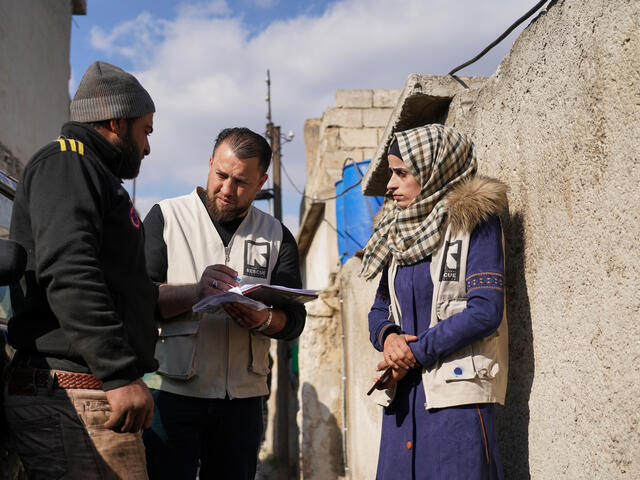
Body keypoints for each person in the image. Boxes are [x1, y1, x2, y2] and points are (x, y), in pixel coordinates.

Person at [5, 61, 158, 479]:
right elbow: (69, 269)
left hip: (89, 391)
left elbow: (116, 288)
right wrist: (119, 374)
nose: (147, 147)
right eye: (145, 131)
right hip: (78, 392)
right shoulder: (68, 163)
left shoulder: (93, 174)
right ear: (116, 122)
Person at [141, 127, 306, 480]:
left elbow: (294, 320)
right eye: (221, 175)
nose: (228, 190)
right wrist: (195, 292)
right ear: (210, 163)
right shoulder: (166, 217)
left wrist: (263, 319)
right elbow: (140, 301)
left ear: (261, 182)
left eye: (242, 182)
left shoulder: (277, 235)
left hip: (243, 403)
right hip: (171, 394)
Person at [364, 124, 508, 479]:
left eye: (401, 173)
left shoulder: (474, 222)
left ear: (433, 170)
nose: (390, 184)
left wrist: (416, 352)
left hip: (455, 401)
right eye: (391, 173)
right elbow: (379, 309)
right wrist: (390, 339)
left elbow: (485, 311)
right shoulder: (397, 234)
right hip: (403, 399)